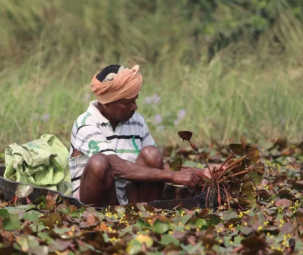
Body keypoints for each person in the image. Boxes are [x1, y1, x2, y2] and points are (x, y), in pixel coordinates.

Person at [69, 64, 209, 207]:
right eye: (128, 102)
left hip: (128, 199)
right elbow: (116, 166)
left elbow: (157, 166)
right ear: (107, 102)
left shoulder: (137, 121)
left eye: (135, 100)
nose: (135, 107)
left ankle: (144, 215)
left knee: (152, 154)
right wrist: (173, 176)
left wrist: (199, 173)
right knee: (99, 163)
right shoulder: (86, 124)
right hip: (95, 202)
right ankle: (98, 218)